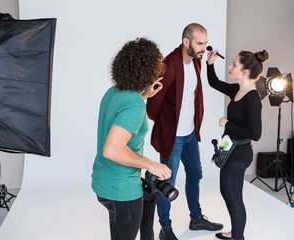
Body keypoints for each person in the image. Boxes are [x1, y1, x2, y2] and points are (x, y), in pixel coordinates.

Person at [146, 23, 223, 240]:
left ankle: (196, 218)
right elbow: (152, 105)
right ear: (186, 42)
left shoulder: (196, 62)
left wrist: (208, 64)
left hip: (190, 134)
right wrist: (167, 125)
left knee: (195, 174)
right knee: (166, 183)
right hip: (173, 137)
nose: (204, 48)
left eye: (205, 44)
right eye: (200, 43)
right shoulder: (168, 65)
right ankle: (165, 227)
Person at [91, 37, 172, 240]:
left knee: (149, 198)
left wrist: (145, 95)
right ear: (149, 71)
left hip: (104, 179)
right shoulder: (134, 104)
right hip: (121, 189)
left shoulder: (115, 92)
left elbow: (124, 112)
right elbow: (112, 150)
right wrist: (150, 164)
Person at [206, 49, 269, 240]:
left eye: (234, 64)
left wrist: (228, 123)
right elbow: (213, 82)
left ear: (245, 72)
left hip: (240, 154)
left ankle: (238, 237)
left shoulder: (252, 98)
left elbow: (255, 134)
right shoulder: (236, 90)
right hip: (230, 149)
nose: (230, 66)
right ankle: (236, 231)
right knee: (228, 193)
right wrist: (210, 64)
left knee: (233, 197)